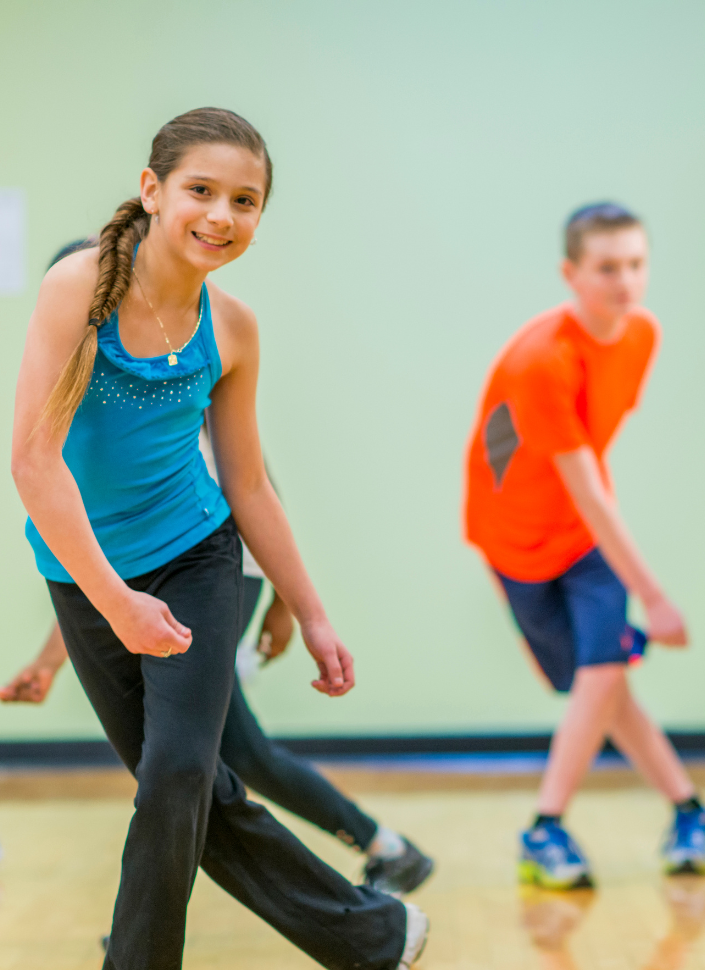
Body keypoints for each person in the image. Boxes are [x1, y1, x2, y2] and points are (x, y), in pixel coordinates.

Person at [10, 108, 428, 970]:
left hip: (199, 559)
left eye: (246, 201)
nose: (221, 215)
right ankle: (374, 936)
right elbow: (33, 462)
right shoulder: (77, 291)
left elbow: (247, 483)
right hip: (85, 574)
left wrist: (309, 609)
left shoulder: (231, 326)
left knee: (177, 776)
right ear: (152, 190)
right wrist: (114, 602)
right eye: (201, 190)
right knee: (193, 791)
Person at [2, 244, 434, 900]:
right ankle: (381, 852)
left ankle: (358, 880)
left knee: (198, 756)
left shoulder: (179, 363)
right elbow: (105, 563)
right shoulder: (81, 418)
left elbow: (254, 487)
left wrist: (292, 603)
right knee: (227, 752)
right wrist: (49, 660)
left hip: (220, 565)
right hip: (165, 579)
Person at [464, 203, 705, 890]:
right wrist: (656, 600)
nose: (625, 281)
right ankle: (690, 809)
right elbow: (585, 488)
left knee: (601, 674)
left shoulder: (642, 334)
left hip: (584, 539)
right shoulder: (542, 361)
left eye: (635, 264)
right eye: (607, 268)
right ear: (571, 274)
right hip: (513, 541)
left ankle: (545, 827)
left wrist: (639, 586)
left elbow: (591, 477)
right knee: (598, 687)